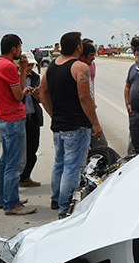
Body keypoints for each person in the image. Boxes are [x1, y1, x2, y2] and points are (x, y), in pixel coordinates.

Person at [38, 31, 103, 218]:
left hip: (58, 126)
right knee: (72, 166)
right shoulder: (79, 67)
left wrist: (52, 113)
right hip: (76, 126)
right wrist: (95, 124)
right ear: (78, 47)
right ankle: (65, 207)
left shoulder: (51, 66)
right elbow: (84, 97)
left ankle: (56, 198)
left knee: (59, 163)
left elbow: (42, 91)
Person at [0, 34, 36, 215]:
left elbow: (18, 89)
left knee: (6, 161)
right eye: (19, 47)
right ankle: (12, 204)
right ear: (13, 48)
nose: (20, 51)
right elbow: (18, 96)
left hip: (4, 118)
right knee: (14, 164)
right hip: (13, 120)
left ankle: (4, 199)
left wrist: (23, 70)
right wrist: (20, 75)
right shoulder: (8, 66)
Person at [18, 52, 44, 188]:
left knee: (32, 150)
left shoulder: (35, 77)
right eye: (28, 65)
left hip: (33, 117)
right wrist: (23, 93)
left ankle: (25, 177)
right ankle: (18, 178)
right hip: (20, 119)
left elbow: (40, 100)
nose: (30, 68)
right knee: (20, 152)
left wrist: (37, 95)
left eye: (32, 65)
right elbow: (14, 98)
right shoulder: (15, 76)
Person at [78, 40, 108, 148]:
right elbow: (84, 97)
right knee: (100, 145)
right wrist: (95, 123)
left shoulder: (87, 66)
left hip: (87, 112)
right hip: (83, 115)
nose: (93, 58)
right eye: (91, 55)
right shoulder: (80, 70)